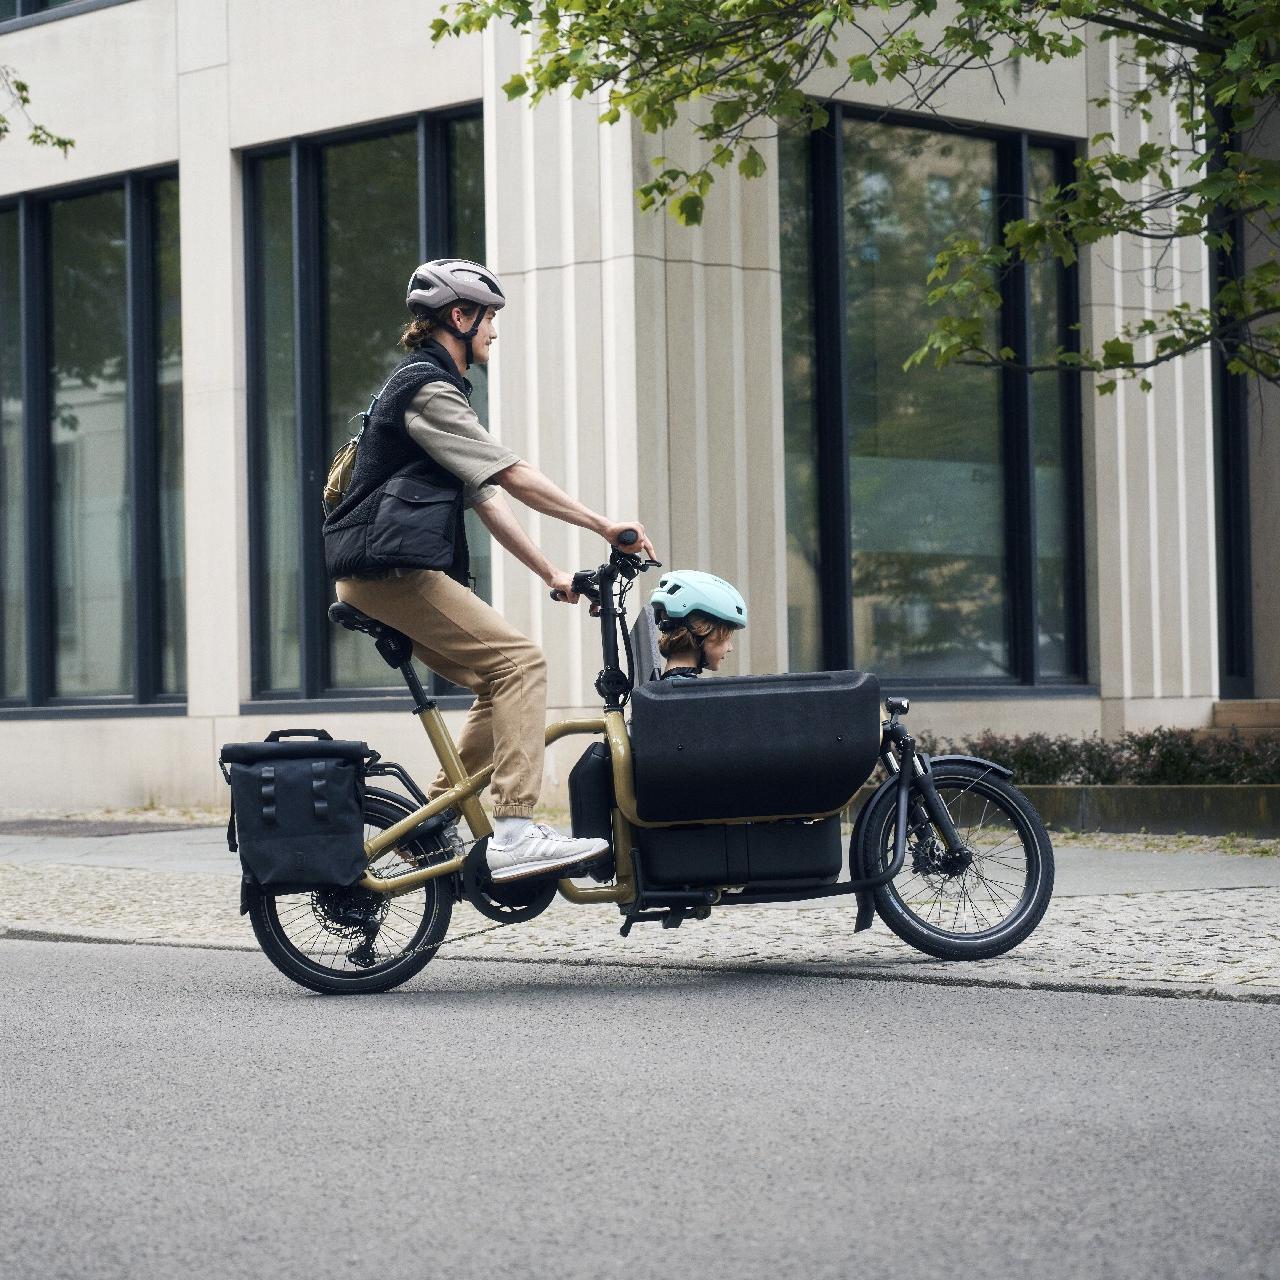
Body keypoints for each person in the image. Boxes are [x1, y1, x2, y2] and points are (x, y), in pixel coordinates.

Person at [325, 258, 657, 884]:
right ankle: (513, 828)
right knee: (522, 663)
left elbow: (486, 498)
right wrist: (604, 524)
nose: (494, 333)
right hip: (387, 571)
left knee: (496, 680)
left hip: (379, 571)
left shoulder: (427, 391)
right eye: (490, 319)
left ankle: (426, 821)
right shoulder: (428, 389)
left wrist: (551, 572)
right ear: (460, 317)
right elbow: (512, 475)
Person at [648, 570, 748, 680]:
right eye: (726, 637)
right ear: (700, 629)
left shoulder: (669, 691)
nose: (730, 648)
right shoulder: (687, 694)